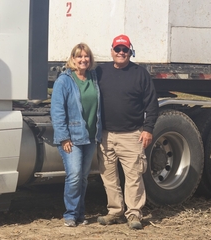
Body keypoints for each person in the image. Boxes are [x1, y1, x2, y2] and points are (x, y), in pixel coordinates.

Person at [96, 34, 159, 229]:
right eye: (118, 49)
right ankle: (115, 212)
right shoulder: (100, 71)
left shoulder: (140, 74)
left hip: (132, 134)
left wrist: (148, 129)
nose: (121, 53)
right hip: (105, 135)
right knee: (108, 176)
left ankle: (134, 214)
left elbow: (152, 105)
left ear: (130, 51)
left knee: (133, 176)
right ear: (111, 51)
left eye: (125, 50)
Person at [51, 43, 102, 227]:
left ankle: (80, 214)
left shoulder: (94, 78)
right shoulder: (64, 81)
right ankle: (70, 214)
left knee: (83, 178)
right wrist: (64, 137)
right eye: (79, 56)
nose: (83, 60)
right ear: (72, 59)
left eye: (86, 56)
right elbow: (57, 111)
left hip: (89, 137)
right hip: (71, 138)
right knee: (73, 176)